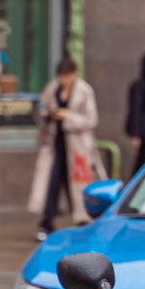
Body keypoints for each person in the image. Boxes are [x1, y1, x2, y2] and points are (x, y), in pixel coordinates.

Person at [30, 56, 98, 240]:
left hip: (77, 147)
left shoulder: (84, 90)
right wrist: (46, 113)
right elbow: (41, 108)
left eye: (66, 75)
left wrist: (67, 116)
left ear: (74, 74)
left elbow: (91, 120)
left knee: (77, 186)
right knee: (50, 184)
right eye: (61, 75)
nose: (63, 79)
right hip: (55, 144)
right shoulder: (52, 88)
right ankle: (46, 223)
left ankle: (83, 220)